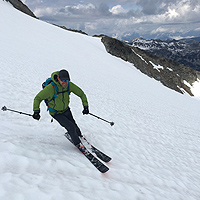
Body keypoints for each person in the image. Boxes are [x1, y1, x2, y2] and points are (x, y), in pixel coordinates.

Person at [33, 69, 89, 146]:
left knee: (73, 124)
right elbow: (38, 98)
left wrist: (85, 106)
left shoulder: (69, 85)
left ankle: (79, 136)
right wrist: (36, 111)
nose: (65, 82)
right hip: (56, 112)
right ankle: (78, 144)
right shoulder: (51, 88)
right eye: (63, 80)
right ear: (58, 78)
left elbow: (81, 94)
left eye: (67, 80)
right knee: (71, 127)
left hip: (66, 109)